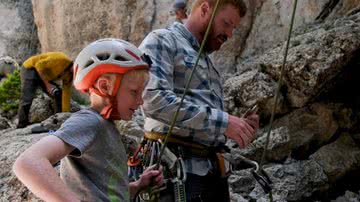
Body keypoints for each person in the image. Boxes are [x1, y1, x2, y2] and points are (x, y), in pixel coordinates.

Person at [13, 38, 163, 202]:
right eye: (135, 92)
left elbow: (107, 193)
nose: (140, 101)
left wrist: (138, 185)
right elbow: (27, 163)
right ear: (105, 87)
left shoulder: (107, 126)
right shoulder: (89, 122)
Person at [139, 0, 259, 201]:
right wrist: (225, 122)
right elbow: (153, 100)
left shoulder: (207, 62)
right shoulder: (161, 40)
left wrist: (238, 127)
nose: (230, 34)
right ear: (205, 9)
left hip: (211, 175)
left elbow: (203, 122)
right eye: (227, 23)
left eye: (234, 28)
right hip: (174, 174)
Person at [17, 52, 73, 128]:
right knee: (27, 97)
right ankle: (22, 123)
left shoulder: (70, 75)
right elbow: (38, 65)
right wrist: (48, 85)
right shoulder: (62, 60)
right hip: (30, 68)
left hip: (43, 75)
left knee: (58, 93)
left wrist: (66, 115)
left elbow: (66, 94)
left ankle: (58, 119)